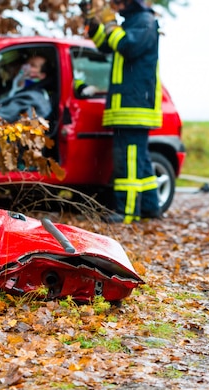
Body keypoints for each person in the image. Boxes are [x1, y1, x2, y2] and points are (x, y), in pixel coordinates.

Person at [83, 0, 163, 223]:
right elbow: (105, 45)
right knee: (140, 161)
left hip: (134, 105)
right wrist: (93, 19)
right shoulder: (132, 23)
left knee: (127, 161)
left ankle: (127, 212)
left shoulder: (144, 22)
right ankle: (149, 208)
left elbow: (127, 46)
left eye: (117, 3)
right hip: (128, 105)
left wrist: (110, 25)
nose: (115, 8)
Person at [0, 54, 52, 123]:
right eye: (27, 63)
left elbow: (5, 116)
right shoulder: (14, 87)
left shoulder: (36, 98)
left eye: (33, 65)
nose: (26, 66)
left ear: (41, 75)